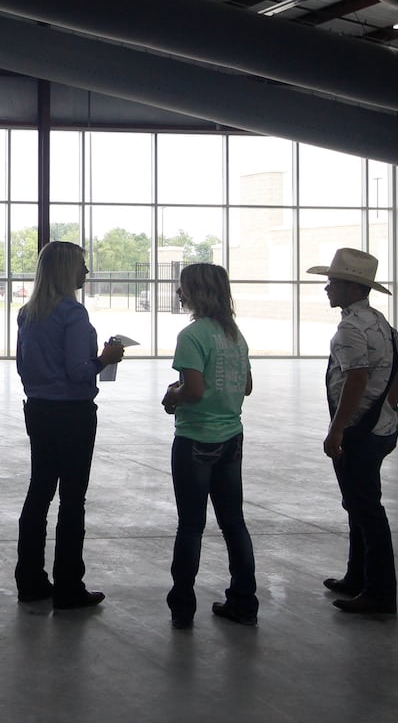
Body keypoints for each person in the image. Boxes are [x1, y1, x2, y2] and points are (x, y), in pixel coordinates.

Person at [14, 240, 124, 610]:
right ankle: (68, 585)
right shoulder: (73, 315)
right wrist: (105, 358)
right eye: (81, 265)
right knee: (72, 499)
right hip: (73, 414)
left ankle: (29, 579)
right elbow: (79, 372)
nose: (86, 272)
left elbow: (22, 365)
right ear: (65, 270)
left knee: (39, 491)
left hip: (39, 410)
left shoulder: (27, 315)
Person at [309, 247, 398, 616]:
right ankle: (357, 577)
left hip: (358, 432)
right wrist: (389, 405)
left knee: (367, 510)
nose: (327, 288)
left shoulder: (351, 328)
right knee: (359, 503)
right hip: (381, 427)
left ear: (353, 287)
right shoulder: (378, 320)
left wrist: (337, 430)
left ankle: (379, 593)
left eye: (333, 282)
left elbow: (356, 378)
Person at [160, 263, 256, 629]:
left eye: (183, 288)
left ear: (197, 293)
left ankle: (183, 606)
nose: (180, 293)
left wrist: (173, 396)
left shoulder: (192, 336)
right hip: (231, 437)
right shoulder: (235, 335)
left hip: (196, 438)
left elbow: (195, 390)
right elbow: (245, 386)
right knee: (234, 523)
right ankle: (244, 600)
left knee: (191, 526)